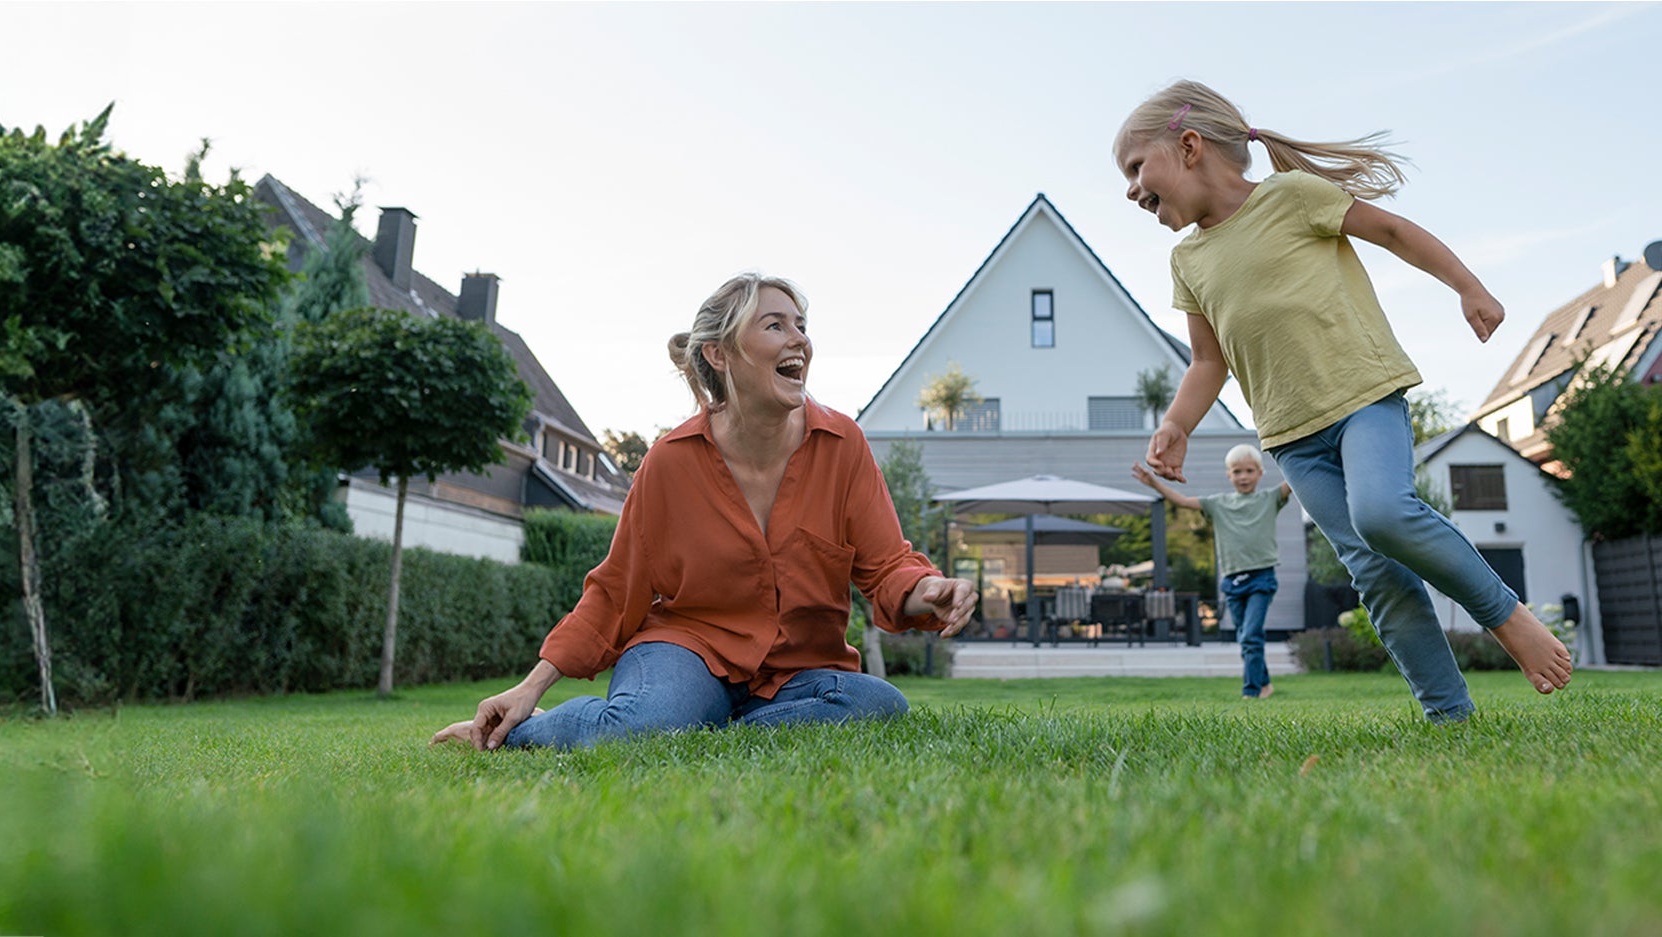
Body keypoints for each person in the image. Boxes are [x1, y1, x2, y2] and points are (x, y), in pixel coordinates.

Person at [1113, 80, 1570, 722]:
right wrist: (1177, 424)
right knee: (1376, 572)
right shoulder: (1186, 260)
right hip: (1291, 436)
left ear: (1189, 146)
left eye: (1135, 168)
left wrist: (1467, 285)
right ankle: (1451, 717)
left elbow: (1390, 230)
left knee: (1383, 512)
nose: (1131, 189)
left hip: (1363, 396)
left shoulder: (1293, 198)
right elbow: (1208, 360)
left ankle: (1505, 615)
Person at [431, 273, 977, 751]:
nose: (800, 341)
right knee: (644, 727)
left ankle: (691, 727)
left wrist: (925, 589)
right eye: (775, 326)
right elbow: (616, 590)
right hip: (686, 651)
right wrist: (529, 690)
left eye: (801, 325)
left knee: (880, 707)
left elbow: (886, 567)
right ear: (720, 354)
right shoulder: (670, 462)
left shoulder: (843, 444)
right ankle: (551, 730)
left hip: (798, 671)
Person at [1132, 447, 1292, 699]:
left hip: (1261, 577)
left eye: (1250, 471)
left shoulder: (1269, 499)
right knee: (1245, 637)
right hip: (1232, 581)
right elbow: (1182, 501)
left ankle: (1251, 693)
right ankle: (1265, 683)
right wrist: (1153, 483)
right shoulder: (1218, 504)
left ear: (1260, 473)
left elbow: (1293, 481)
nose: (1244, 476)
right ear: (1229, 475)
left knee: (1250, 635)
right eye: (1237, 472)